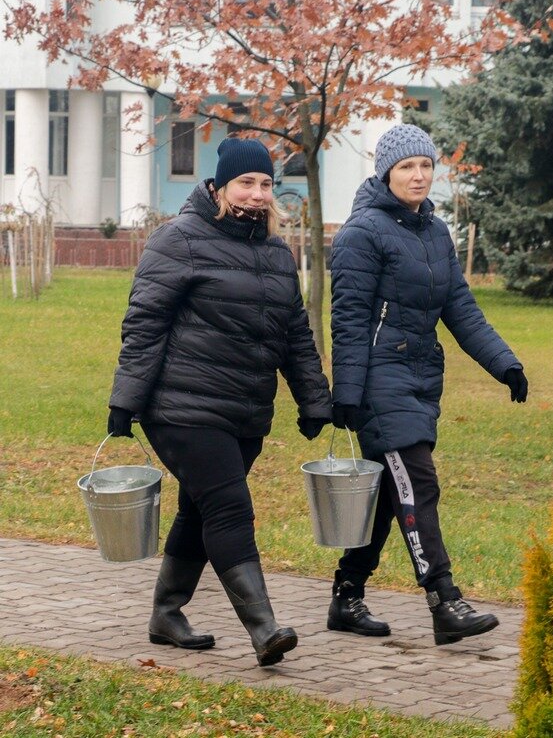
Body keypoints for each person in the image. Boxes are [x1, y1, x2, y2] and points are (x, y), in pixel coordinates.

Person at [106, 138, 331, 666]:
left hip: (243, 410)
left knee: (199, 509)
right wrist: (125, 400)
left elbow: (295, 335)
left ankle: (166, 613)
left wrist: (314, 400)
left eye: (266, 184)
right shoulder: (179, 239)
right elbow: (144, 324)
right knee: (229, 507)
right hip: (180, 407)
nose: (257, 193)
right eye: (245, 183)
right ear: (220, 186)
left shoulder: (277, 253)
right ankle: (264, 628)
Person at [328, 124, 528, 645]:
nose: (418, 176)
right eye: (406, 167)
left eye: (425, 166)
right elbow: (348, 320)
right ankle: (444, 601)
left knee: (387, 494)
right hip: (378, 382)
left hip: (419, 378)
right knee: (417, 483)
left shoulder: (436, 233)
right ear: (385, 174)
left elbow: (460, 308)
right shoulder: (361, 233)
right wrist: (346, 394)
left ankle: (347, 596)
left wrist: (504, 364)